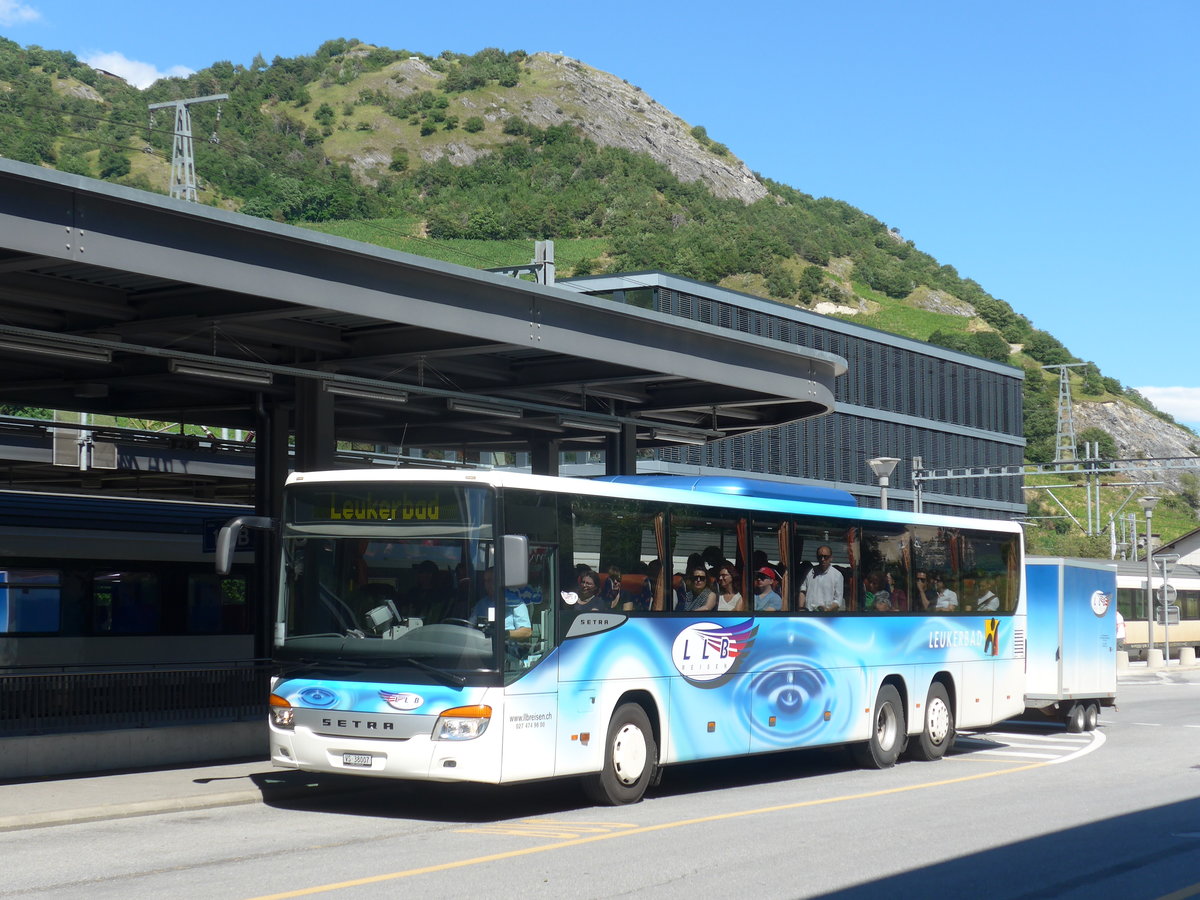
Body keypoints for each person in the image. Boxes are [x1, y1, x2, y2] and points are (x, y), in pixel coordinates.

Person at [471, 567, 532, 640]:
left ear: (500, 581)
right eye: (486, 581)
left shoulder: (516, 602)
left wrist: (504, 634)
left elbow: (527, 632)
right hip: (481, 646)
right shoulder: (481, 604)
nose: (488, 584)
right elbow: (470, 626)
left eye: (491, 580)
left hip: (505, 648)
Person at [799, 545, 842, 612]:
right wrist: (801, 609)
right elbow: (802, 592)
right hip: (809, 614)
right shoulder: (809, 572)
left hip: (827, 615)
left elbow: (838, 601)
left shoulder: (837, 575)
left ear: (831, 558)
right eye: (820, 557)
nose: (822, 559)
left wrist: (827, 609)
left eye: (825, 557)